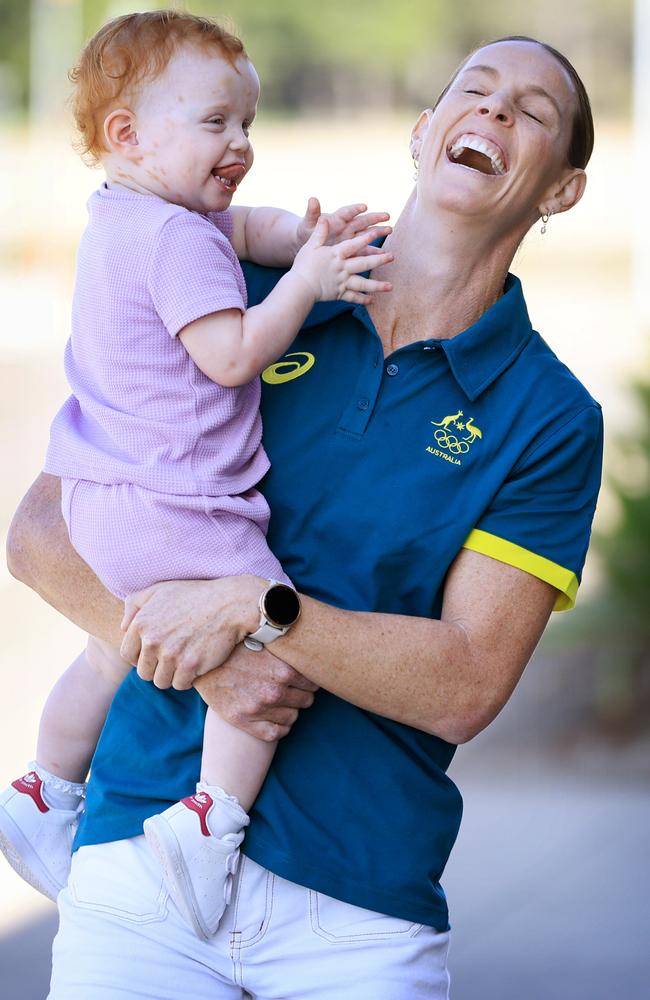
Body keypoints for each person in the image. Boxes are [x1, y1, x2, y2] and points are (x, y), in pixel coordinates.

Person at [7, 34, 603, 1000]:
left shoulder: (549, 416)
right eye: (475, 91)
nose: (494, 113)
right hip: (141, 859)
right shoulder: (238, 295)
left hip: (359, 908)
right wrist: (217, 670)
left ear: (561, 190)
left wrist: (258, 608)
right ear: (423, 132)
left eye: (533, 113)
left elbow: (465, 682)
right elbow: (42, 532)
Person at [0, 10, 394, 939]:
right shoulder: (177, 242)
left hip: (107, 503)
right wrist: (311, 285)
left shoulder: (130, 212)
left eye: (247, 123)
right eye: (216, 123)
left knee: (113, 648)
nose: (241, 144)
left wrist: (301, 240)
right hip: (181, 507)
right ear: (128, 134)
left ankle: (41, 789)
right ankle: (209, 823)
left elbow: (243, 229)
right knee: (266, 628)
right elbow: (231, 354)